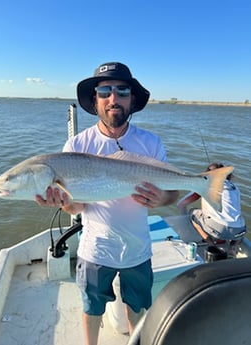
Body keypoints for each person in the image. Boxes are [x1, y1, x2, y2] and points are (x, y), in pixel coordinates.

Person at [36, 62, 178, 345]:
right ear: (95, 100)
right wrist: (63, 203)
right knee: (92, 310)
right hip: (95, 250)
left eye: (122, 91)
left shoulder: (150, 143)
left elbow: (172, 192)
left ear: (132, 99)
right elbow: (76, 208)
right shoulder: (76, 146)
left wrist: (162, 198)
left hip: (138, 251)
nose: (114, 98)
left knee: (138, 310)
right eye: (105, 91)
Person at [177, 162, 246, 249]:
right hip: (239, 230)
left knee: (193, 213)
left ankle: (210, 244)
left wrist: (185, 224)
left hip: (217, 229)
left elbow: (181, 204)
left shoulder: (205, 184)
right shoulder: (235, 187)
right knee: (238, 225)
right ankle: (233, 248)